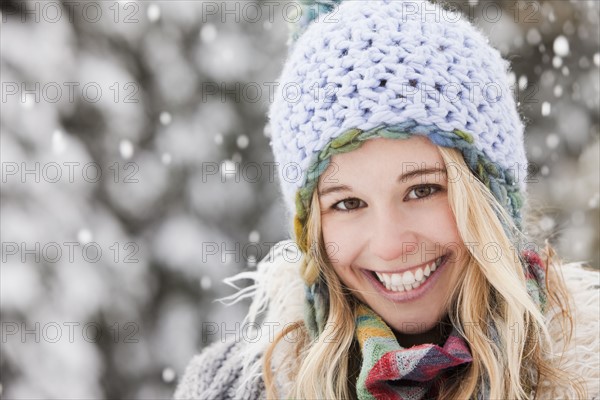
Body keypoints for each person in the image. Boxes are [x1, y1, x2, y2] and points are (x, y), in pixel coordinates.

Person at [174, 0, 599, 398]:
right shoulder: (234, 387)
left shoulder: (586, 373)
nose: (391, 244)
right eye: (347, 203)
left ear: (490, 198)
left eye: (421, 190)